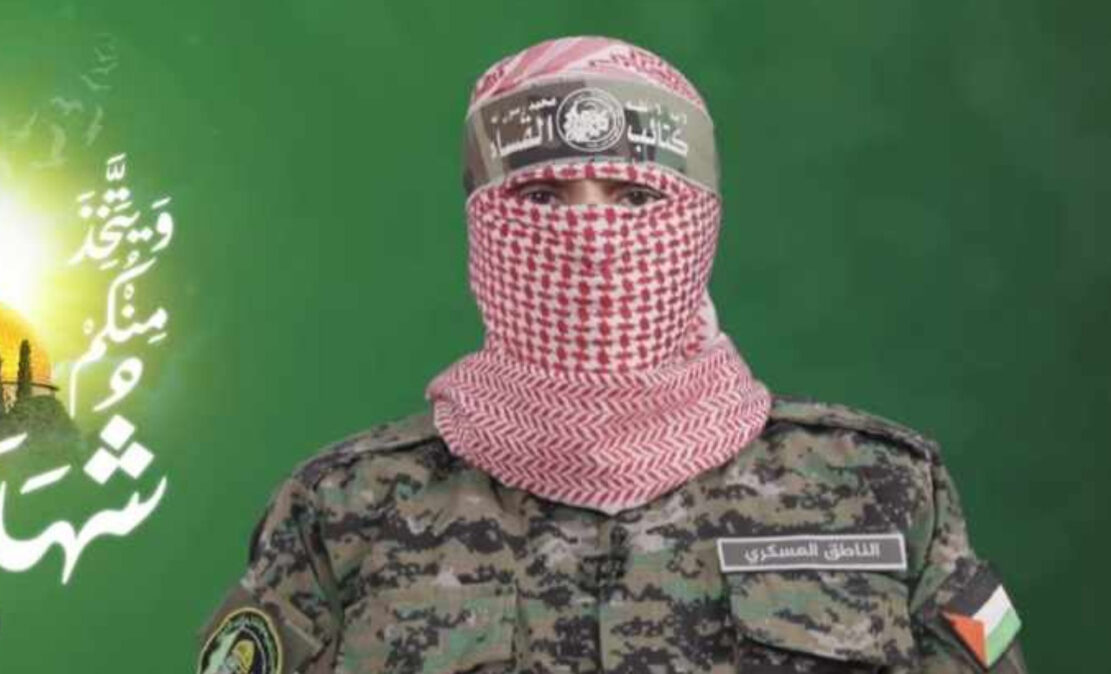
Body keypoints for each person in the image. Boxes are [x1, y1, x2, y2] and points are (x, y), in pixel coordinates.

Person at [197, 35, 1027, 674]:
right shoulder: (345, 513)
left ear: (701, 223)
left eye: (634, 197)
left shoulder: (882, 492)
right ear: (483, 227)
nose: (591, 235)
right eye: (542, 196)